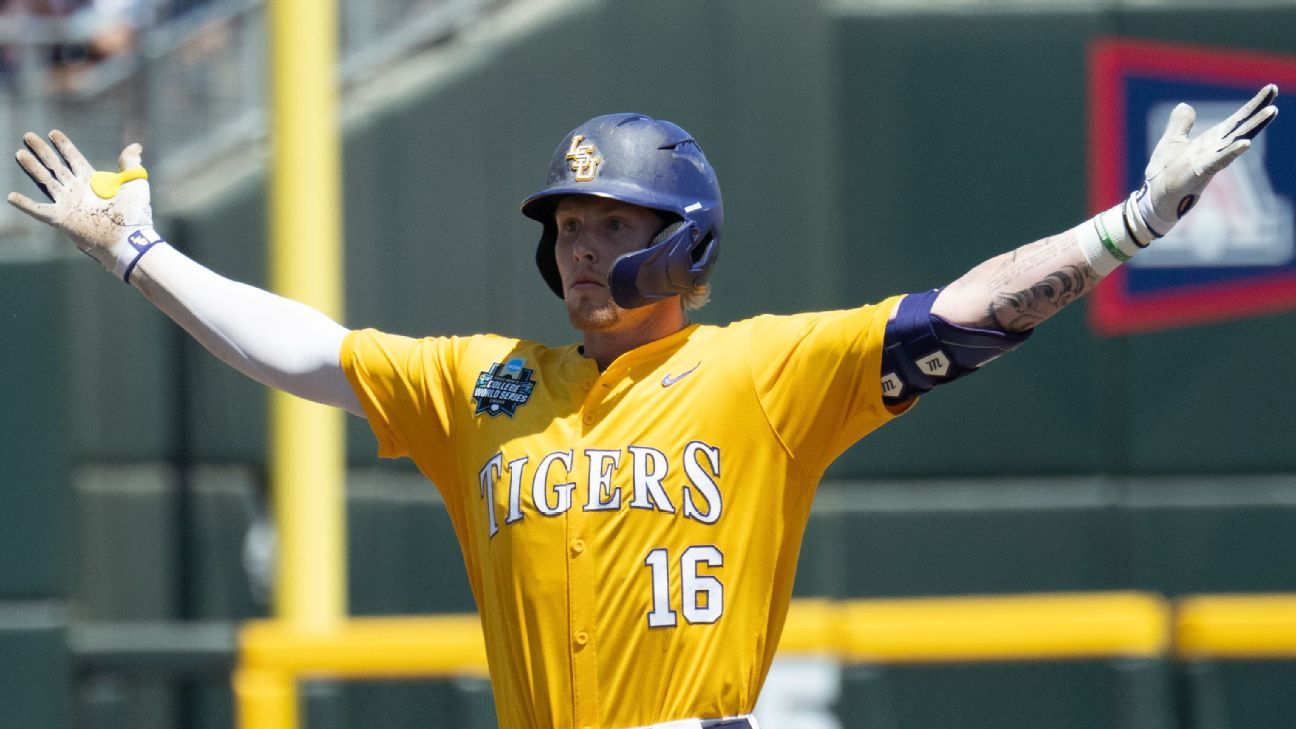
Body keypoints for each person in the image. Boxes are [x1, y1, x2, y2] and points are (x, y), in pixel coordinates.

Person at [7, 86, 1279, 729]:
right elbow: (308, 353)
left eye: (612, 224)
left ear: (687, 245)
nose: (577, 247)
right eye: (567, 225)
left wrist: (1131, 225)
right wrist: (137, 254)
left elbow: (964, 310)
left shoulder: (763, 374)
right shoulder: (486, 383)